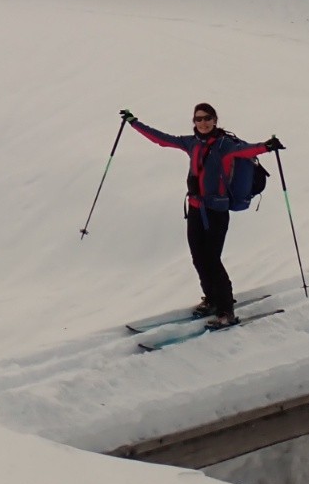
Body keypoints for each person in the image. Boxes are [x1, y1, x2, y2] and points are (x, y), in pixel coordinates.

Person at [119, 103, 281, 328]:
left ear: (215, 120)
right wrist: (134, 123)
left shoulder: (226, 145)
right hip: (196, 209)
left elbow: (248, 150)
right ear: (194, 121)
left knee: (212, 260)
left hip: (217, 211)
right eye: (198, 119)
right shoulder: (191, 143)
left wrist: (267, 146)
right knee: (199, 257)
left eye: (207, 118)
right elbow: (162, 139)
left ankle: (226, 310)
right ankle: (212, 299)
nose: (203, 123)